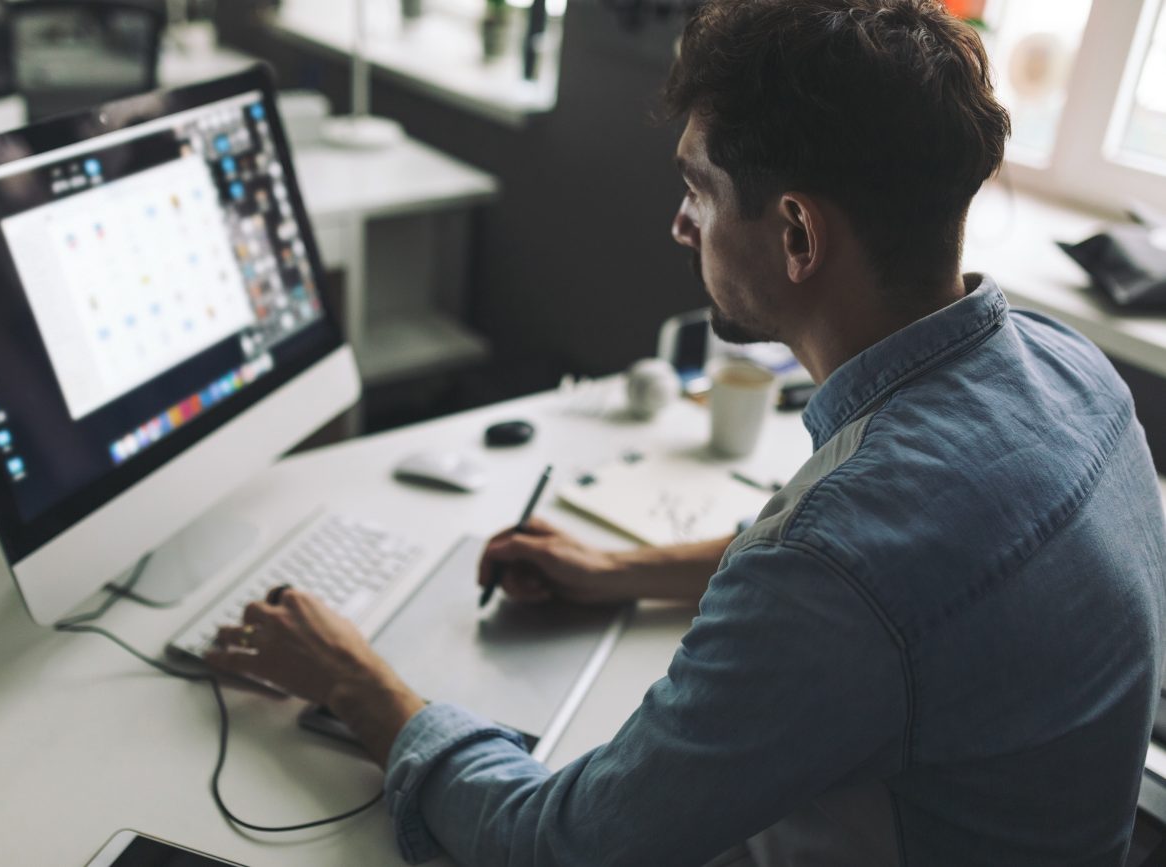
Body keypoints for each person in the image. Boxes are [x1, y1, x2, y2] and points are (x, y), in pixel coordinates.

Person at [205, 1, 1166, 864]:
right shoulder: (1071, 369)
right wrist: (621, 571)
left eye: (699, 190)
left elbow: (557, 845)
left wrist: (359, 683)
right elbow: (893, 591)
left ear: (797, 235)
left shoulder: (838, 565)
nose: (680, 224)